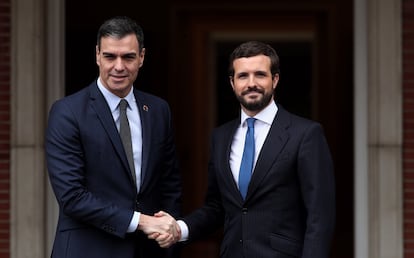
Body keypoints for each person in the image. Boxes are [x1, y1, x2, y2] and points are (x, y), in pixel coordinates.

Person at [153, 40, 336, 258]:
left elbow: (320, 216)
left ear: (275, 79)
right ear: (232, 83)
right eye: (242, 76)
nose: (251, 83)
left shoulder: (305, 134)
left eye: (260, 74)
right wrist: (179, 229)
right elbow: (217, 207)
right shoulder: (220, 137)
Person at [45, 16, 182, 258]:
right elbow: (72, 196)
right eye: (110, 56)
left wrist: (169, 231)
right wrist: (141, 221)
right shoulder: (67, 112)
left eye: (128, 57)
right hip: (88, 250)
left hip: (149, 251)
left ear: (141, 57)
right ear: (97, 55)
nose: (119, 66)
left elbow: (169, 184)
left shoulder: (159, 110)